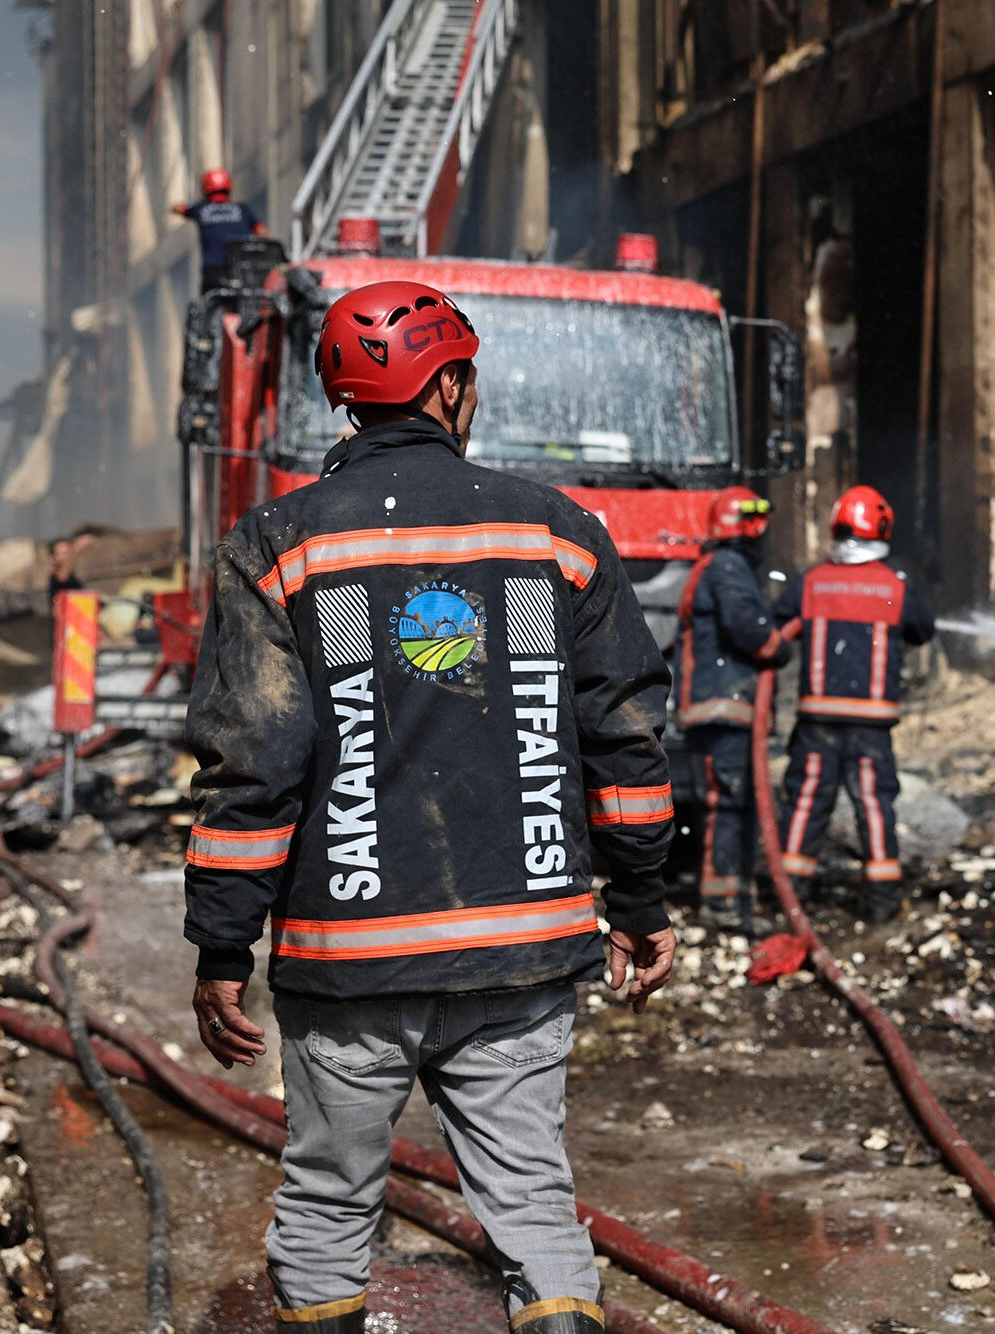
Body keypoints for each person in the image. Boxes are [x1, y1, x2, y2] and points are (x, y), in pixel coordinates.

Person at [183, 279, 676, 1334]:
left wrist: (223, 943)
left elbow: (252, 763)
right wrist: (640, 903)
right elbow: (626, 739)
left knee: (328, 1207)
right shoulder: (558, 534)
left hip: (349, 953)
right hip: (523, 945)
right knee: (535, 1207)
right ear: (449, 385)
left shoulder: (279, 542)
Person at [773, 485, 934, 924]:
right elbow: (922, 629)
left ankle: (790, 900)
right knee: (875, 808)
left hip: (818, 721)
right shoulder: (895, 586)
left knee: (806, 803)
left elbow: (774, 628)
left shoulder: (812, 581)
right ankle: (882, 902)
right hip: (870, 726)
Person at [672, 486, 789, 933]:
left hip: (717, 711)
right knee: (728, 805)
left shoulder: (713, 565)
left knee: (733, 805)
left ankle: (735, 901)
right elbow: (747, 627)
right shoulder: (727, 566)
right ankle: (723, 907)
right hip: (723, 711)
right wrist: (777, 645)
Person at [171, 167, 265, 292]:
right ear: (229, 188)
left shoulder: (200, 209)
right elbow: (262, 232)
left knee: (209, 301)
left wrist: (198, 204)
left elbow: (176, 208)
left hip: (213, 272)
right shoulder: (242, 209)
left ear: (205, 190)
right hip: (242, 270)